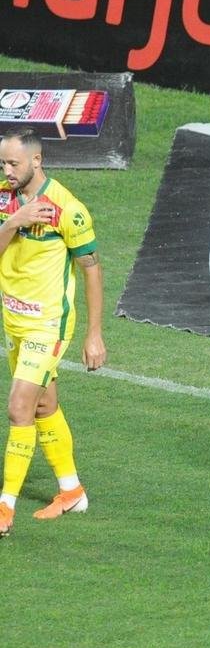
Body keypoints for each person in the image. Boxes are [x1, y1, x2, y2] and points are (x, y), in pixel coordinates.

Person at [0, 128, 106, 537]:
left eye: (14, 164)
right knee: (44, 407)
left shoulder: (68, 209)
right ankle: (71, 491)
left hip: (49, 323)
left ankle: (5, 506)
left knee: (18, 406)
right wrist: (16, 220)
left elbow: (92, 269)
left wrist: (94, 334)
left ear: (37, 161)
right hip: (13, 320)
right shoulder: (5, 198)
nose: (7, 171)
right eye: (3, 163)